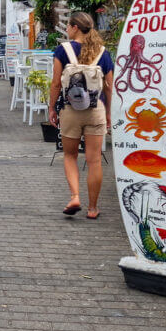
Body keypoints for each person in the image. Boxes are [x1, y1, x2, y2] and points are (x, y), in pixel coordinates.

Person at [47, 12, 114, 219]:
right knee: (94, 161)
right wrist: (109, 112)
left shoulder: (63, 50)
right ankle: (93, 208)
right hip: (96, 111)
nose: (67, 29)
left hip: (70, 110)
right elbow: (109, 87)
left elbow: (57, 83)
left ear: (75, 27)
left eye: (68, 25)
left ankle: (75, 196)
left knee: (70, 155)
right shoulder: (103, 52)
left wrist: (51, 107)